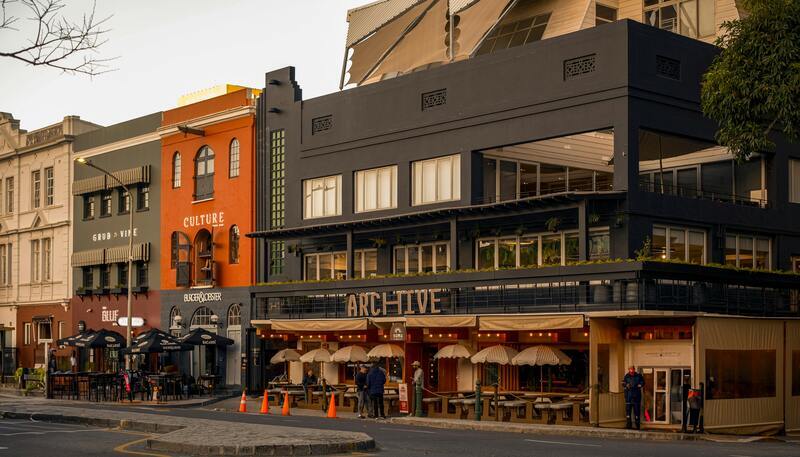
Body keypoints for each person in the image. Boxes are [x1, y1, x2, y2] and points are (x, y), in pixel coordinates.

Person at [622, 366, 645, 430]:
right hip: (629, 397)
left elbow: (643, 382)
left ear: (634, 369)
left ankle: (637, 426)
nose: (631, 370)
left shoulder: (638, 376)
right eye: (630, 369)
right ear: (629, 370)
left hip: (636, 396)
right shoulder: (627, 376)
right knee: (628, 412)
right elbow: (623, 383)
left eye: (632, 369)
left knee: (637, 412)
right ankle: (629, 425)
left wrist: (640, 384)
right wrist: (626, 385)